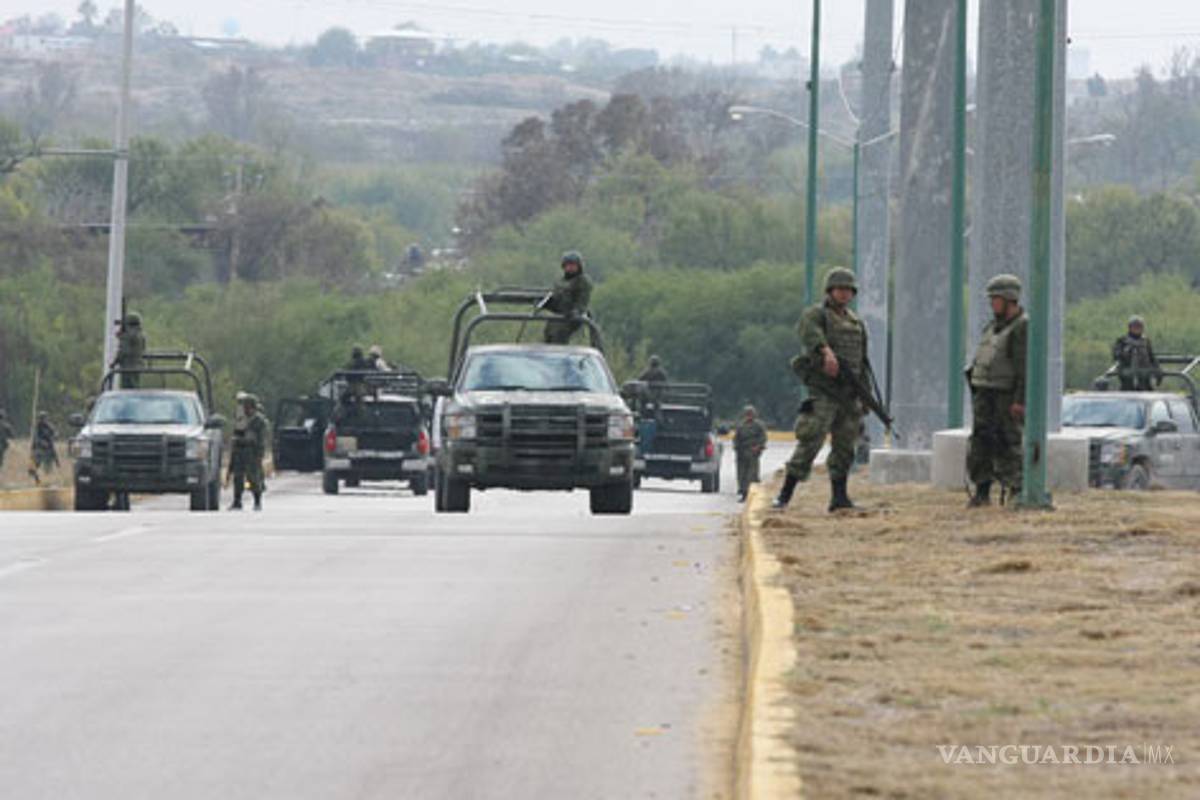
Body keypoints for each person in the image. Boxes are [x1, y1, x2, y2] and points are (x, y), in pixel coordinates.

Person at [774, 267, 869, 512]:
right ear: (830, 291)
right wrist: (826, 351)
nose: (844, 293)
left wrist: (865, 396)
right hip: (825, 391)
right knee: (811, 442)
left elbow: (862, 362)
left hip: (849, 394)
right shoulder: (817, 315)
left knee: (845, 447)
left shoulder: (856, 322)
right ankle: (784, 496)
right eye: (840, 289)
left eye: (848, 290)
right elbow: (810, 333)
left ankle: (839, 498)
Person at [965, 274, 1028, 507]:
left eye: (996, 299)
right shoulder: (992, 326)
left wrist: (1019, 400)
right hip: (985, 393)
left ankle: (1016, 489)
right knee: (981, 442)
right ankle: (982, 490)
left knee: (1008, 441)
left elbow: (1024, 367)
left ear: (1009, 299)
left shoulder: (1021, 327)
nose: (992, 303)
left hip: (1005, 394)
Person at [228, 393, 269, 511]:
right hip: (240, 452)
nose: (244, 408)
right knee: (238, 478)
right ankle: (237, 501)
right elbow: (237, 433)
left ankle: (257, 501)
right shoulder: (241, 419)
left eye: (246, 406)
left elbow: (257, 439)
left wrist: (244, 440)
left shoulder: (258, 421)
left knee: (253, 478)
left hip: (252, 453)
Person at [543, 250, 593, 344]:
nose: (570, 267)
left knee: (559, 334)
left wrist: (576, 311)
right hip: (559, 314)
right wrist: (547, 303)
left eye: (573, 265)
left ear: (579, 266)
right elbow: (556, 301)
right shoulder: (561, 281)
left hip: (571, 317)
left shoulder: (582, 281)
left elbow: (582, 301)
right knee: (549, 332)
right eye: (568, 265)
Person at [1112, 315, 1162, 391]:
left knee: (1147, 391)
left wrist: (1157, 371)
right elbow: (1116, 355)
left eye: (1139, 326)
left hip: (1144, 375)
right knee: (1126, 391)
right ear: (1130, 327)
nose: (1137, 328)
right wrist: (1125, 352)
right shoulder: (1122, 341)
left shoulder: (1145, 341)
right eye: (1135, 326)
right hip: (1127, 375)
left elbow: (1152, 357)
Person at [733, 405, 769, 502]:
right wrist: (737, 448)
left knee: (752, 474)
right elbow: (736, 438)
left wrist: (758, 447)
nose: (749, 416)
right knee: (742, 474)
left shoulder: (758, 425)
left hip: (753, 453)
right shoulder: (741, 425)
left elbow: (763, 438)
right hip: (742, 453)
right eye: (747, 414)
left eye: (750, 414)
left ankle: (752, 494)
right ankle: (743, 492)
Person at [112, 311, 146, 389]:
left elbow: (123, 351)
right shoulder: (141, 335)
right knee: (135, 387)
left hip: (127, 366)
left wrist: (115, 362)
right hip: (138, 365)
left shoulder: (127, 336)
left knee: (127, 388)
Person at [31, 411, 59, 477]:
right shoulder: (37, 427)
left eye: (44, 418)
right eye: (41, 418)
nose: (43, 420)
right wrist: (41, 442)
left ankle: (47, 477)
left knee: (48, 465)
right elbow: (36, 437)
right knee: (35, 463)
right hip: (38, 448)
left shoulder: (49, 426)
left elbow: (55, 433)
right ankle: (34, 477)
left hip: (48, 448)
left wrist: (55, 436)